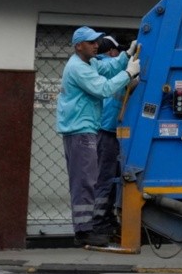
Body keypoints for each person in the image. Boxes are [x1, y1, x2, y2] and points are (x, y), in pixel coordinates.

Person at [57, 26, 139, 247]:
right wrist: (129, 73)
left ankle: (86, 229)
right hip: (80, 131)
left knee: (88, 181)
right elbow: (103, 88)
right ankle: (84, 232)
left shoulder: (88, 63)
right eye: (92, 42)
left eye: (97, 41)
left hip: (84, 130)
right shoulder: (78, 69)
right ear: (78, 46)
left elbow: (108, 67)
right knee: (84, 182)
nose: (96, 45)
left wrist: (126, 56)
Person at [93, 36, 133, 238]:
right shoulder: (105, 64)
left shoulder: (99, 66)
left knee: (109, 177)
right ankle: (99, 222)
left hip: (107, 131)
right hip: (107, 131)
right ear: (111, 52)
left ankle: (105, 220)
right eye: (119, 52)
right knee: (105, 178)